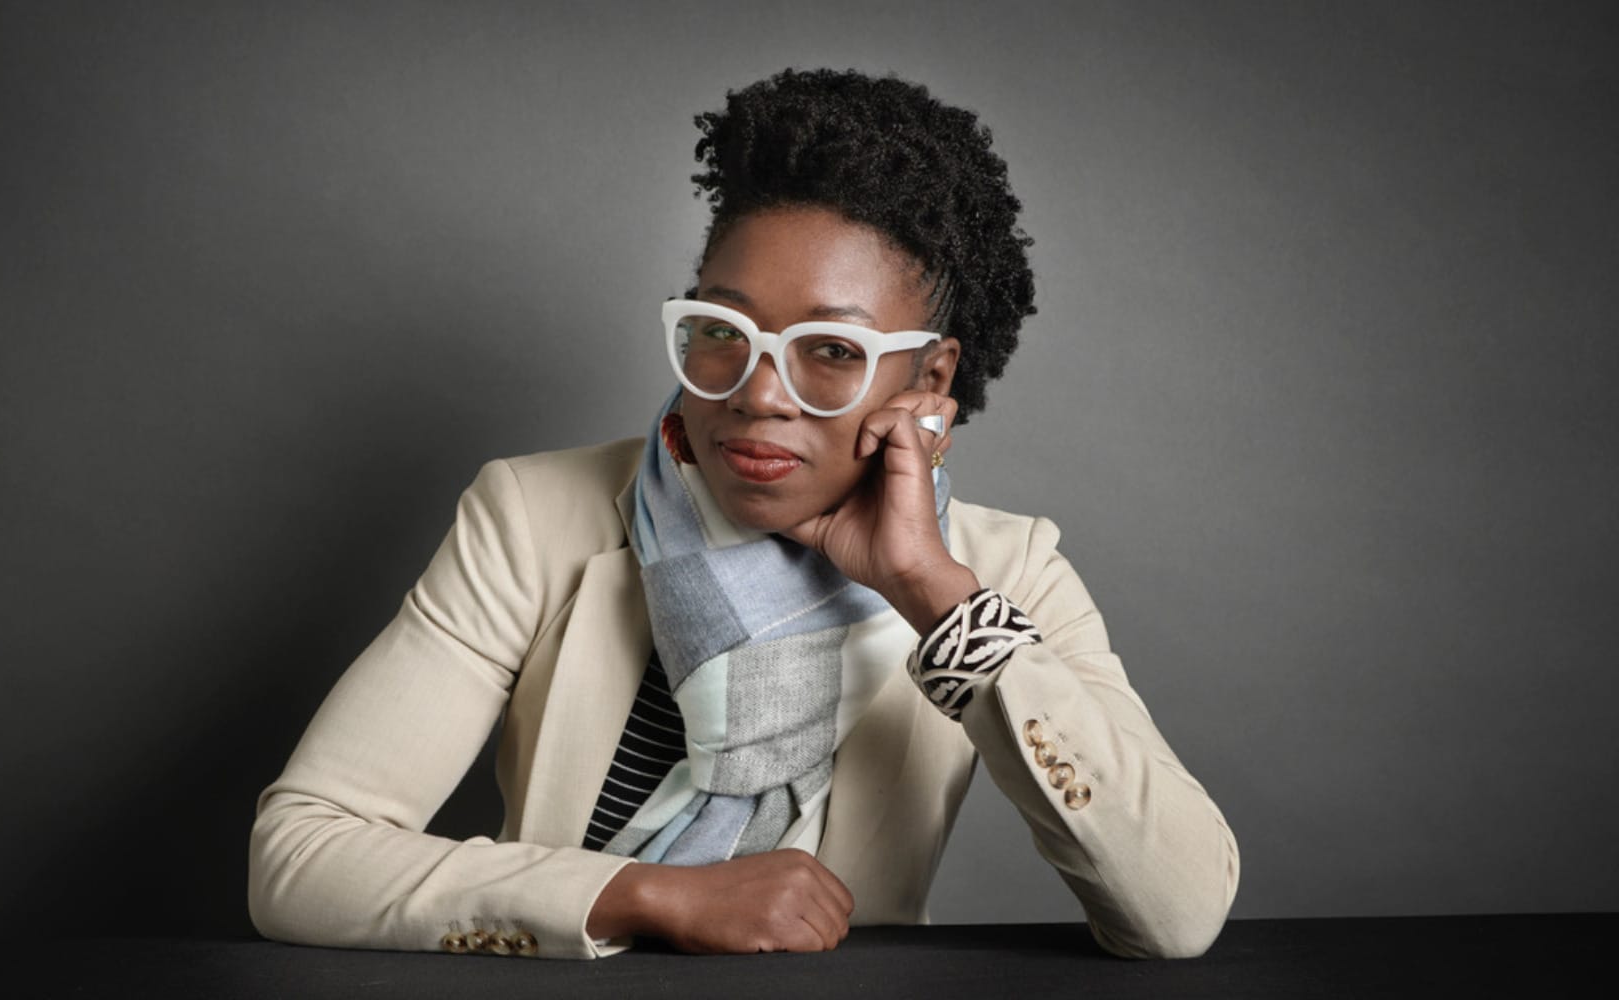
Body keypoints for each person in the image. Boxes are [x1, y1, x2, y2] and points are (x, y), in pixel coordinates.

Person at [248, 68, 1239, 961]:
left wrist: (929, 594)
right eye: (722, 330)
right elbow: (298, 855)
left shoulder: (1000, 574)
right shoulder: (535, 517)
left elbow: (1178, 911)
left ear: (930, 380)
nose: (758, 393)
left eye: (832, 350)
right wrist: (646, 895)